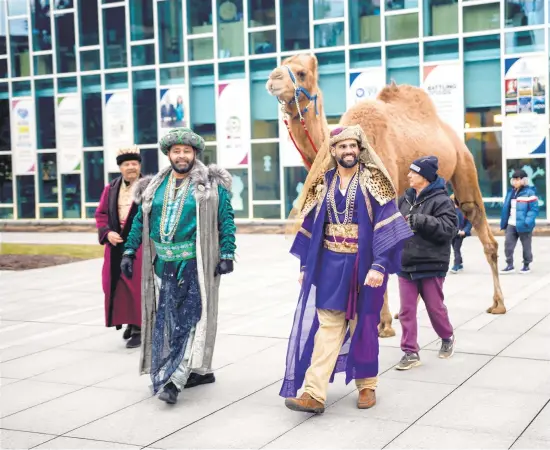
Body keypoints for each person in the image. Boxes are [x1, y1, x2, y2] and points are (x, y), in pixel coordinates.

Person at [281, 125, 413, 414]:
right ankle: (314, 393)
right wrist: (306, 264)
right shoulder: (322, 182)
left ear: (360, 148)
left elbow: (388, 224)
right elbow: (310, 226)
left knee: (363, 325)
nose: (349, 151)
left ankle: (367, 384)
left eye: (353, 145)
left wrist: (379, 265)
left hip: (364, 265)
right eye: (342, 146)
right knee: (327, 326)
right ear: (333, 151)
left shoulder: (374, 180)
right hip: (329, 263)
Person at [121, 127, 237, 404]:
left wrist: (227, 253)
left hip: (193, 265)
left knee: (189, 323)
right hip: (162, 266)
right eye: (177, 151)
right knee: (168, 323)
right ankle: (196, 370)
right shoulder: (154, 186)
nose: (182, 156)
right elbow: (140, 220)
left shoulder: (210, 185)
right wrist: (129, 250)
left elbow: (226, 219)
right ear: (169, 154)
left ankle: (175, 380)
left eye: (187, 151)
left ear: (195, 154)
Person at [396, 156, 457, 371]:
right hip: (406, 264)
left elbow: (449, 229)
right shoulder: (405, 199)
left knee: (435, 308)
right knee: (406, 311)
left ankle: (447, 336)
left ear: (425, 177)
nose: (408, 175)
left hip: (431, 264)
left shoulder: (442, 200)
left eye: (413, 172)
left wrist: (420, 220)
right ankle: (410, 351)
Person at [95, 146, 143, 349]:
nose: (131, 167)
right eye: (127, 164)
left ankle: (139, 327)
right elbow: (101, 215)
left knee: (136, 286)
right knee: (113, 285)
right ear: (120, 167)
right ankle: (129, 322)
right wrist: (107, 233)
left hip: (139, 245)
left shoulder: (149, 187)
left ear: (140, 166)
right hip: (115, 246)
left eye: (134, 163)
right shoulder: (111, 188)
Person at [499, 169, 539, 274]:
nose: (515, 181)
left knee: (526, 246)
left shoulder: (530, 193)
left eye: (517, 179)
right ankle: (509, 265)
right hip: (511, 224)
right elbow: (506, 208)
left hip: (524, 225)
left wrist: (527, 221)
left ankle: (526, 265)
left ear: (524, 180)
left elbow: (534, 209)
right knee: (508, 245)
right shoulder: (510, 192)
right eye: (514, 179)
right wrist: (505, 222)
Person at [449, 194, 472, 274]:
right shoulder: (449, 210)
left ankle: (456, 265)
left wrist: (464, 231)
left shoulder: (464, 211)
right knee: (455, 248)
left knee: (456, 249)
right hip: (452, 233)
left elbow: (469, 223)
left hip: (460, 234)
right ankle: (460, 263)